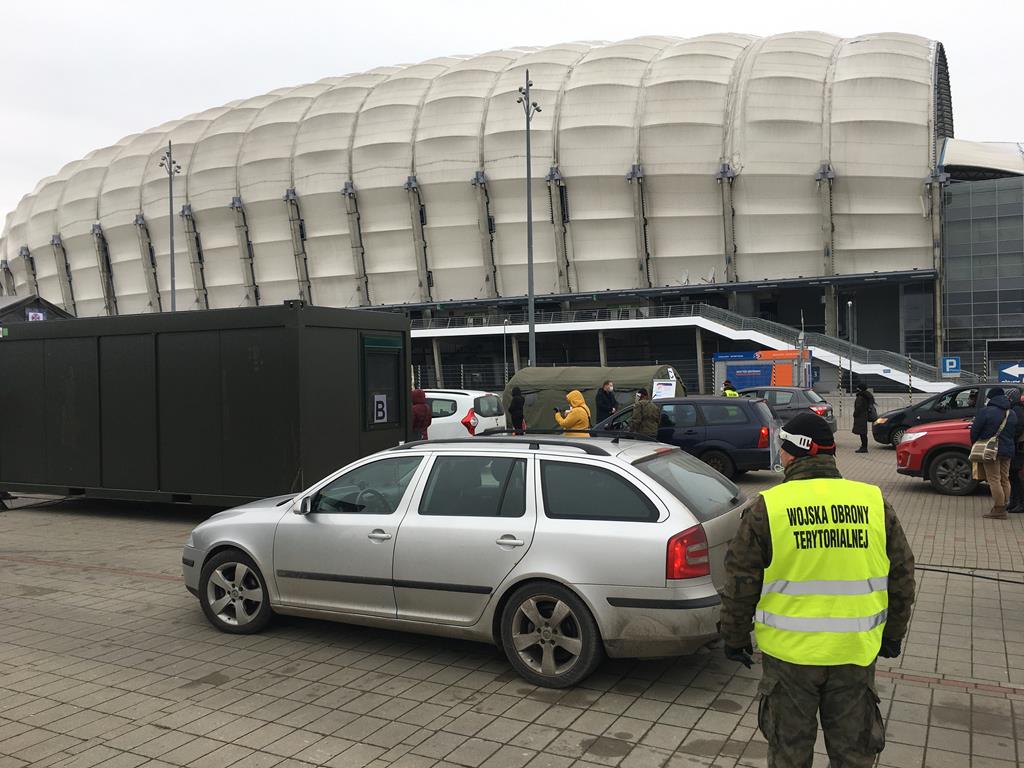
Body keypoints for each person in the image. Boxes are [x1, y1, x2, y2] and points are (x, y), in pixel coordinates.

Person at [720, 412, 916, 768]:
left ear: (795, 453)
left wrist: (733, 638)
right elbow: (901, 574)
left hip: (789, 659)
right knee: (854, 754)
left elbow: (740, 583)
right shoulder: (872, 501)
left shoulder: (769, 507)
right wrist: (893, 634)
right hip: (854, 653)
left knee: (790, 753)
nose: (779, 455)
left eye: (782, 448)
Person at [970, 386, 1017, 519]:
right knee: (1004, 478)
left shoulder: (986, 411)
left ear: (991, 398)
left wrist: (976, 443)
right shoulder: (1011, 413)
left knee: (994, 479)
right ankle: (1004, 505)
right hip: (1008, 450)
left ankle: (999, 509)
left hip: (991, 450)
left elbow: (975, 431)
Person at [1008, 389, 1024, 514]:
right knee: (1013, 475)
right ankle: (1014, 501)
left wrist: (1011, 439)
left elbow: (1018, 428)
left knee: (1015, 475)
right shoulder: (1017, 409)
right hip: (1018, 446)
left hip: (1019, 447)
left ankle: (1020, 503)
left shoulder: (1017, 410)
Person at [852, 383, 876, 453]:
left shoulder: (860, 397)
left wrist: (855, 414)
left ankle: (864, 447)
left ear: (859, 389)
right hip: (864, 416)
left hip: (860, 416)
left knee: (862, 433)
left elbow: (858, 408)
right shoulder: (867, 395)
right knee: (863, 432)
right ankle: (864, 446)